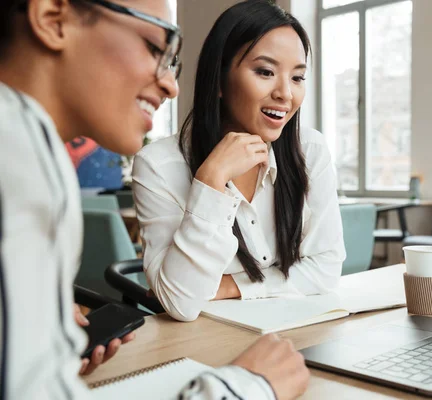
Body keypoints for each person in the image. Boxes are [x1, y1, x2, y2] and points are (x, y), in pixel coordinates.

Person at [0, 0, 309, 399]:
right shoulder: (19, 154)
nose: (171, 84)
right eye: (154, 47)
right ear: (52, 18)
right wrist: (244, 387)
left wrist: (43, 355)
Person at [132, 0, 346, 322]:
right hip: (204, 343)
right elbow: (181, 303)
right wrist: (211, 181)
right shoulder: (158, 166)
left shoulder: (310, 150)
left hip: (294, 330)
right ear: (218, 80)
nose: (285, 94)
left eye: (298, 77)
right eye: (265, 72)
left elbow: (326, 267)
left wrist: (231, 286)